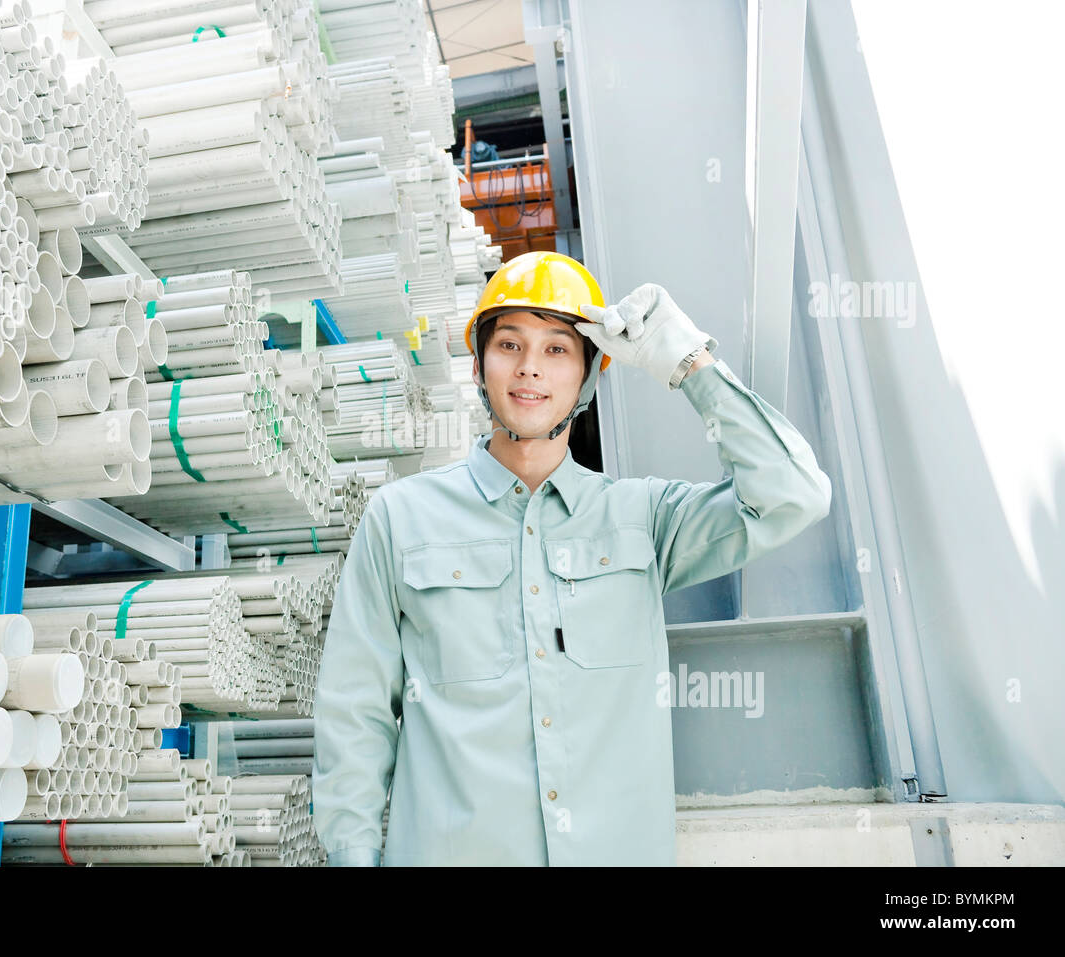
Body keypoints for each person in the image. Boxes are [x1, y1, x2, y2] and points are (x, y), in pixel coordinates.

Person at [311, 251, 833, 866]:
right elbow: (355, 715)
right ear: (478, 365)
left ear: (588, 374)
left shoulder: (644, 518)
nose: (530, 369)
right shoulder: (401, 519)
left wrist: (691, 364)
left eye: (557, 349)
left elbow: (793, 497)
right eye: (509, 344)